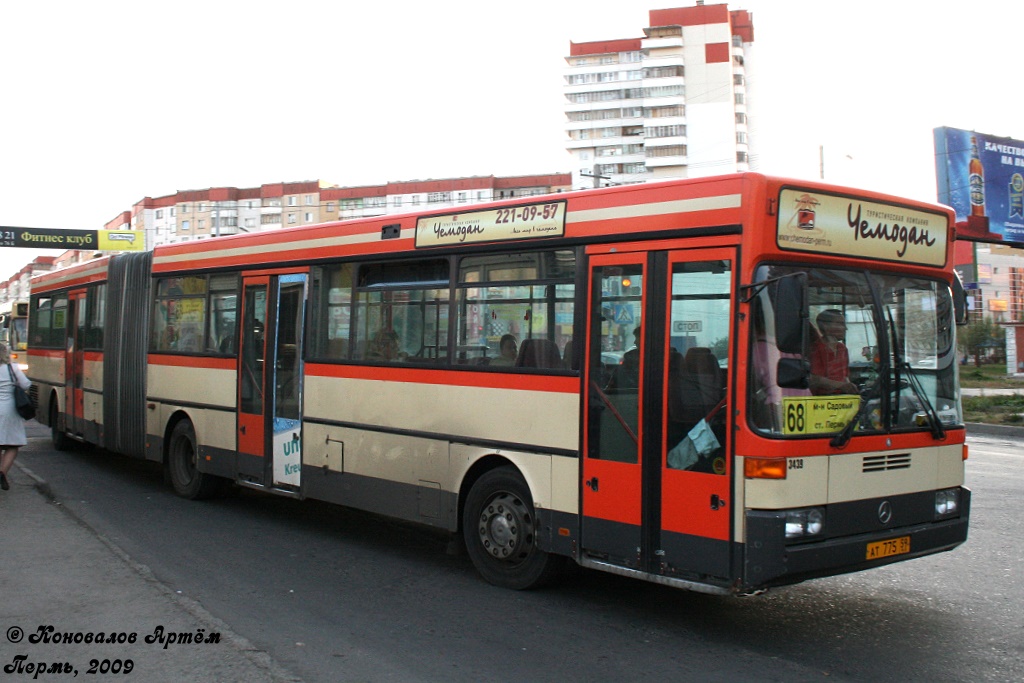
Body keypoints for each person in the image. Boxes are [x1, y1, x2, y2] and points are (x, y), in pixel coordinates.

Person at [0, 343, 32, 491]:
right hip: (9, 410)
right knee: (12, 445)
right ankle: (2, 473)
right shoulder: (12, 368)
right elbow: (26, 385)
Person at [810, 309, 858, 395]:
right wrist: (841, 386)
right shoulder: (816, 348)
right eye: (840, 324)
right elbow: (815, 379)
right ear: (825, 326)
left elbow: (845, 377)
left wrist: (850, 389)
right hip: (821, 401)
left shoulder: (842, 348)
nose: (845, 328)